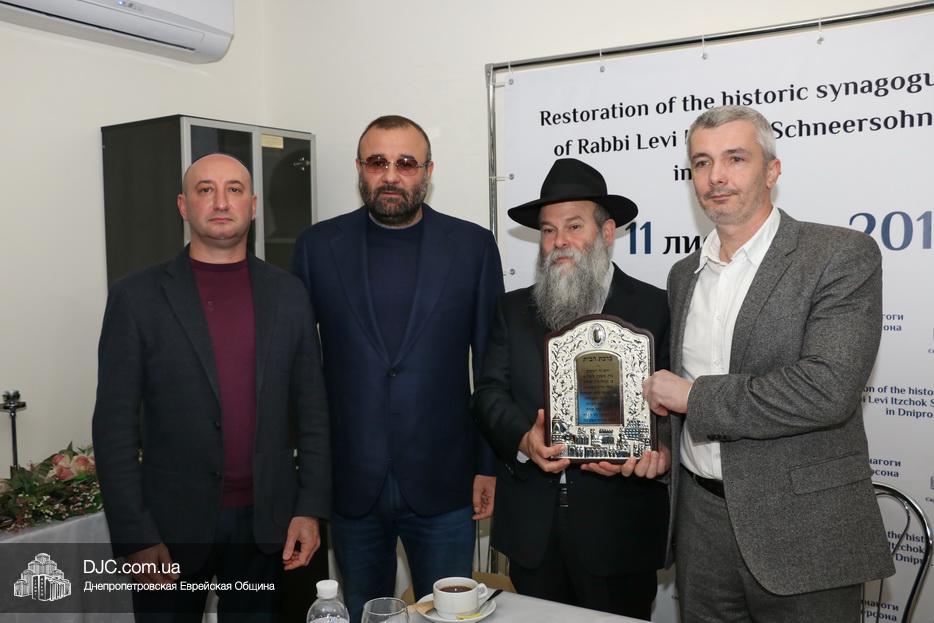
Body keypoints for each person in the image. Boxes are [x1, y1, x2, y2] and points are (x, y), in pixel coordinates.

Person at [642, 105, 894, 621]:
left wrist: (693, 397)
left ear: (772, 171)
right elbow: (677, 393)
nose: (716, 176)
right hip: (701, 521)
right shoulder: (684, 274)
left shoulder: (839, 255)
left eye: (735, 158)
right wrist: (660, 444)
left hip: (804, 525)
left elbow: (826, 390)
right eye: (702, 162)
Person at [92, 153, 331, 620]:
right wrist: (136, 535)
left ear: (253, 205)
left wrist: (310, 508)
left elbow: (313, 411)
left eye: (234, 190)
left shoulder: (289, 294)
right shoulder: (135, 297)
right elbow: (113, 427)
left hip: (267, 527)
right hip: (169, 530)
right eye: (205, 190)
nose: (221, 202)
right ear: (183, 206)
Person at [291, 115, 503, 622]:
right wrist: (309, 481)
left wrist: (488, 465)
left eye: (406, 163)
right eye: (377, 162)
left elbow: (492, 366)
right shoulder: (318, 246)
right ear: (359, 168)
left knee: (448, 616)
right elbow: (301, 370)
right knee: (366, 613)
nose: (391, 175)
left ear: (428, 171)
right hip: (351, 481)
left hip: (446, 482)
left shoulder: (472, 247)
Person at [473, 158, 670, 619]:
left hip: (620, 531)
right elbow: (488, 394)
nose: (559, 241)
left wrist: (654, 451)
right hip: (533, 530)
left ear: (607, 232)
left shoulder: (657, 307)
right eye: (548, 230)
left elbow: (674, 408)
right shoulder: (512, 310)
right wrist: (524, 439)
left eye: (574, 226)